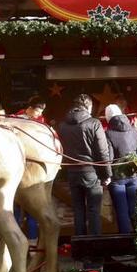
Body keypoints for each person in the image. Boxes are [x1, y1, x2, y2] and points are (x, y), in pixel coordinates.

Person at [58, 94, 113, 236]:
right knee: (94, 211)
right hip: (91, 172)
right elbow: (102, 152)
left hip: (72, 172)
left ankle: (80, 248)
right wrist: (106, 174)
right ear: (88, 106)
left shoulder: (62, 125)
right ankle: (94, 248)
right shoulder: (94, 123)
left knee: (78, 210)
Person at [104, 104, 137, 234]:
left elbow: (108, 158)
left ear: (108, 118)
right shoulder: (135, 131)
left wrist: (107, 176)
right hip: (134, 176)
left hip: (117, 178)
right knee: (134, 209)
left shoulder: (108, 134)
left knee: (121, 211)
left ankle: (126, 243)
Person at [14, 96, 47, 242]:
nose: (40, 114)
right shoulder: (15, 119)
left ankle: (33, 242)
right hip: (15, 169)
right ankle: (14, 241)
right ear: (31, 108)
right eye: (39, 111)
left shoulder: (41, 122)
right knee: (14, 210)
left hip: (32, 170)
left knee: (32, 211)